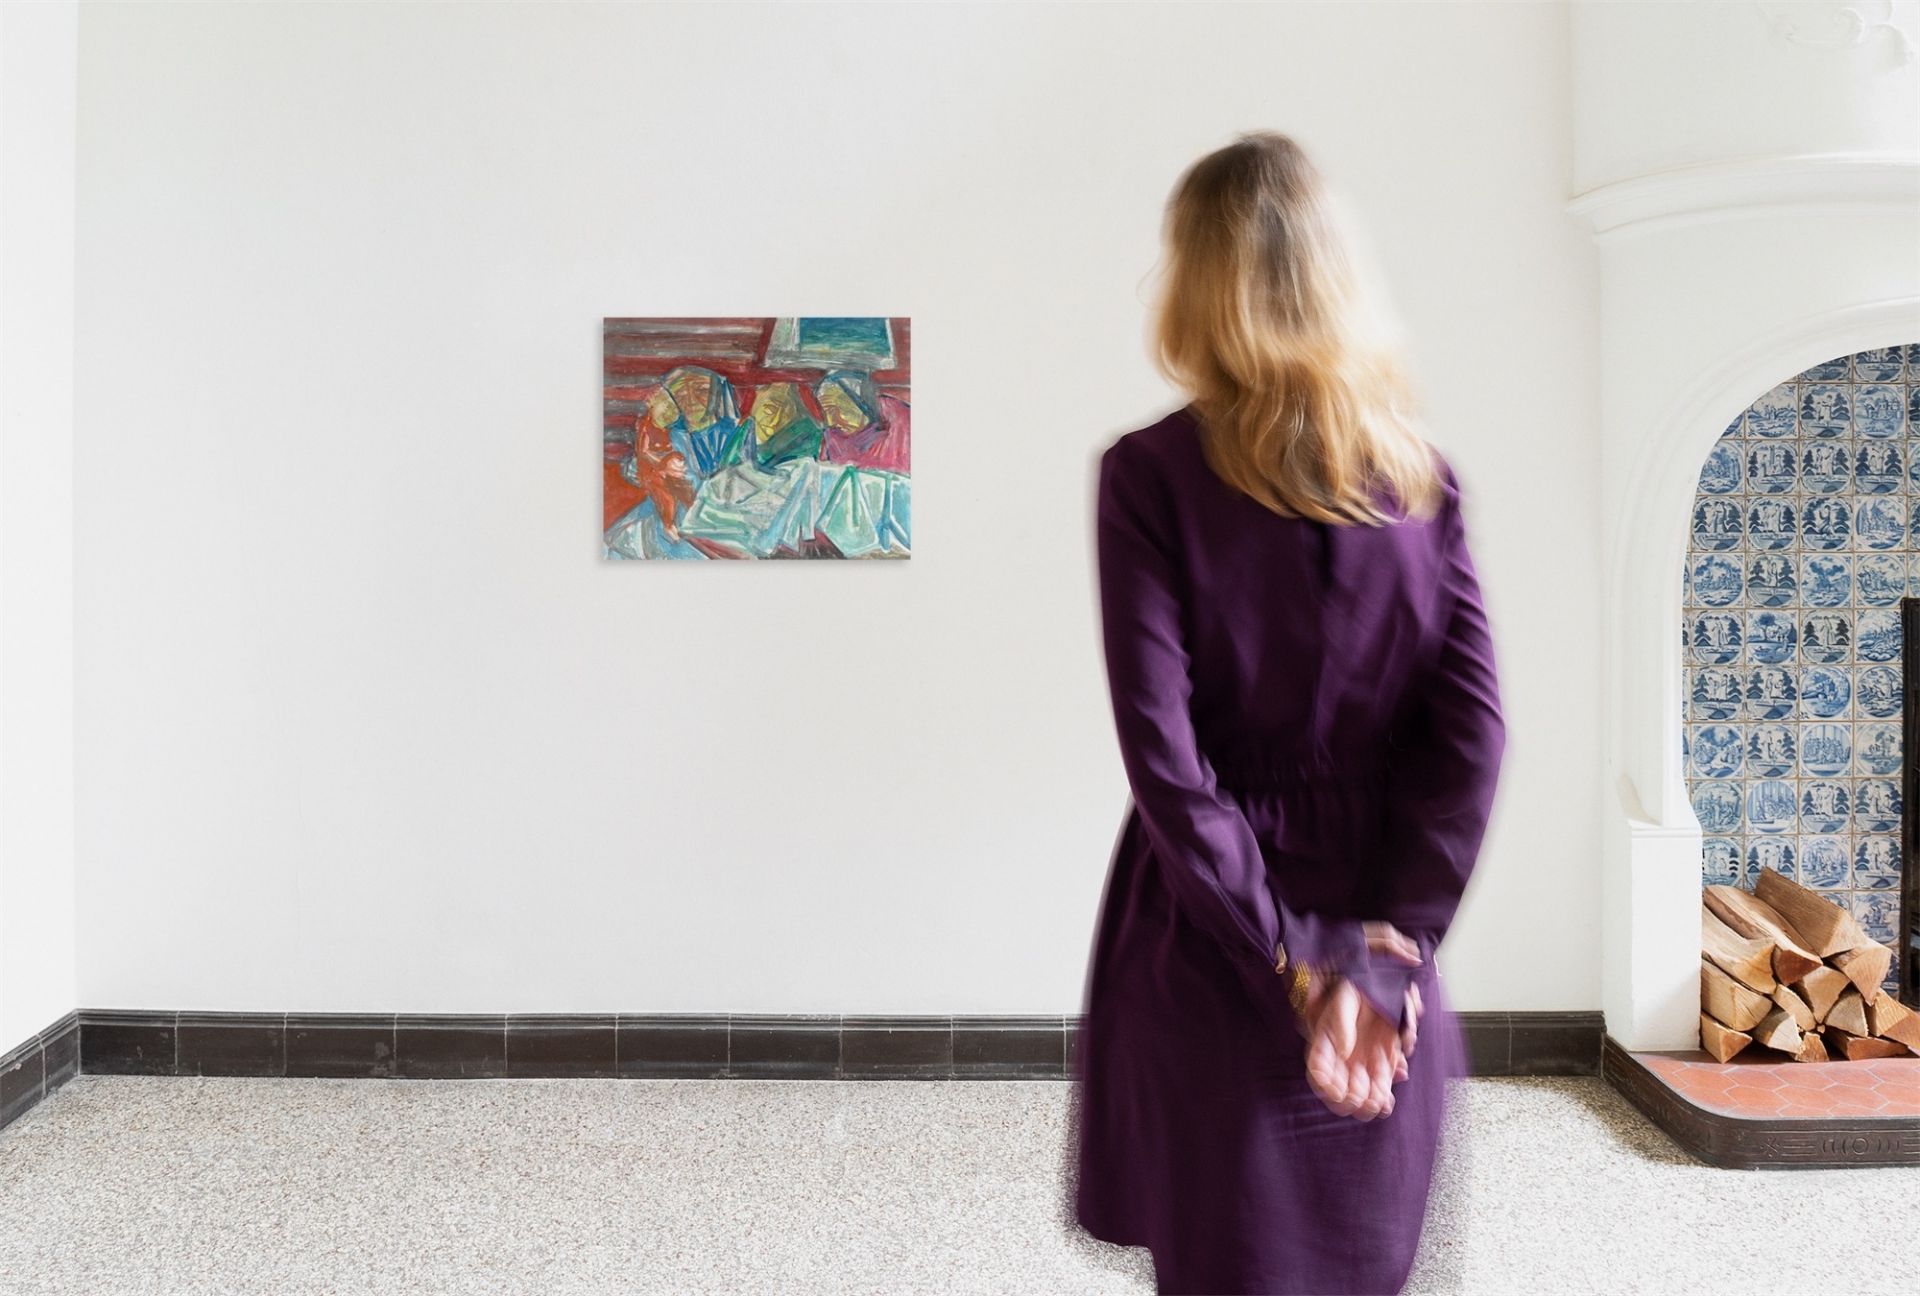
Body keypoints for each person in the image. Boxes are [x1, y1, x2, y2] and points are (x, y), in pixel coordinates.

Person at [1069, 131, 1506, 1295]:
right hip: (1378, 923)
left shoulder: (1148, 477)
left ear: (1194, 284)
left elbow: (1170, 764)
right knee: (1361, 1260)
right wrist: (1386, 954)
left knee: (1229, 1255)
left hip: (1218, 938)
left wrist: (1297, 957)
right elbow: (1469, 742)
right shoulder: (1425, 481)